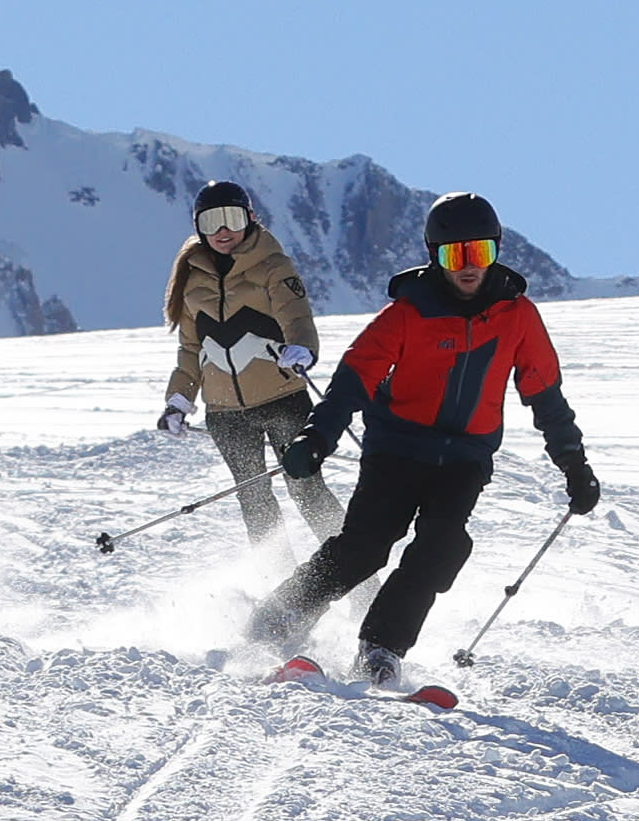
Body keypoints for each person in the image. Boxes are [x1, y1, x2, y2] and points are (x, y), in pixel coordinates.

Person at [262, 190, 598, 688]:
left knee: (442, 546)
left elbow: (545, 395)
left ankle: (381, 647)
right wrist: (317, 438)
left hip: (465, 458)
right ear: (434, 256)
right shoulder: (408, 312)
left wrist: (574, 465)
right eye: (454, 255)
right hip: (397, 447)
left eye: (480, 251)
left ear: (496, 251)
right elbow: (354, 379)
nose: (469, 266)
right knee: (365, 547)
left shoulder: (517, 315)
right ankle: (278, 619)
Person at [159, 181, 335, 541]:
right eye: (211, 222)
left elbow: (296, 315)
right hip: (225, 413)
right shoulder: (191, 281)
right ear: (198, 228)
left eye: (232, 218)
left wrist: (301, 348)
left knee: (305, 486)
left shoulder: (272, 265)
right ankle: (278, 573)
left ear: (251, 218)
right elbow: (191, 350)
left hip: (282, 399)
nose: (223, 230)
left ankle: (350, 565)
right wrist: (178, 400)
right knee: (253, 497)